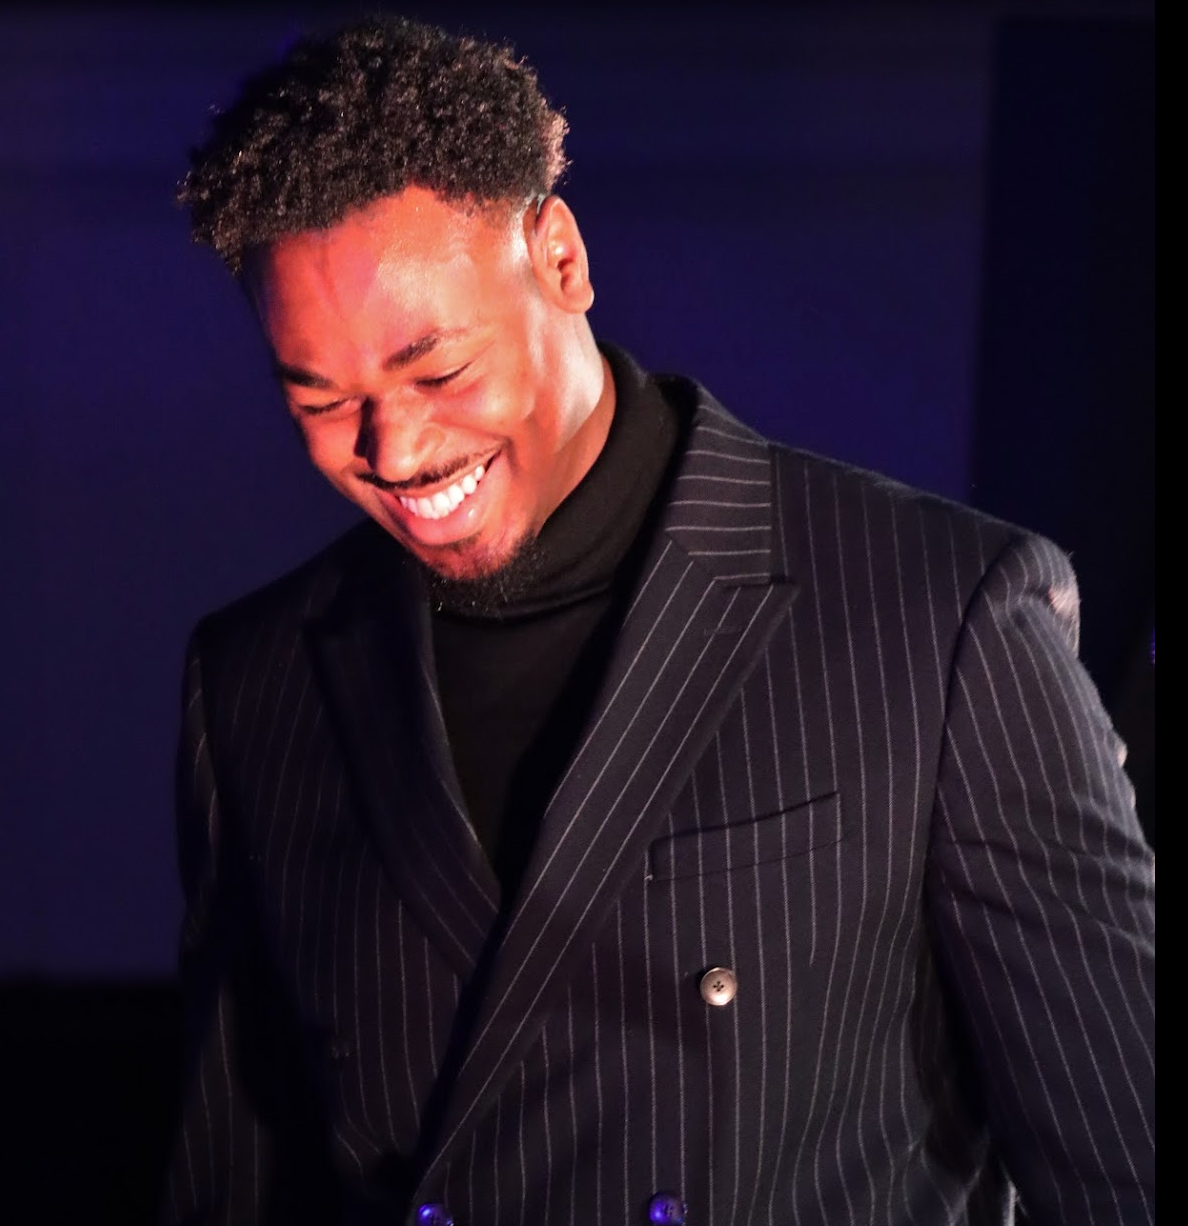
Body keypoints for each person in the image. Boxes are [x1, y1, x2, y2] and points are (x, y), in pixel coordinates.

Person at [162, 14, 1155, 1226]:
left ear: (562, 257)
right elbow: (231, 1184)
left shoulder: (942, 615)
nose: (395, 450)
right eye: (325, 400)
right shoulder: (254, 681)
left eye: (437, 372)